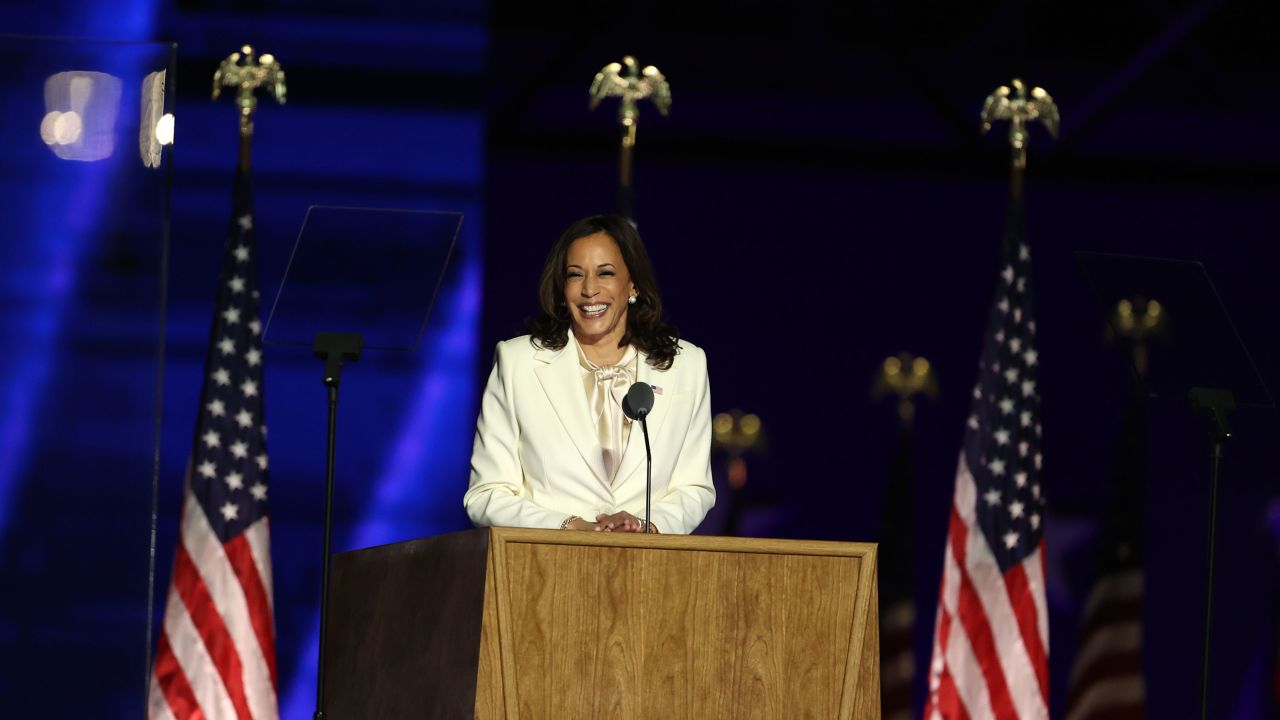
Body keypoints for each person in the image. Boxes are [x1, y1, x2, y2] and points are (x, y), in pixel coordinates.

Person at [464, 214, 715, 534]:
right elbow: (486, 495)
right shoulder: (518, 363)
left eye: (605, 273)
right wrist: (567, 527)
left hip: (648, 570)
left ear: (633, 284)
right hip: (543, 569)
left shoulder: (686, 366)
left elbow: (695, 489)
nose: (589, 290)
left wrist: (646, 525)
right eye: (575, 275)